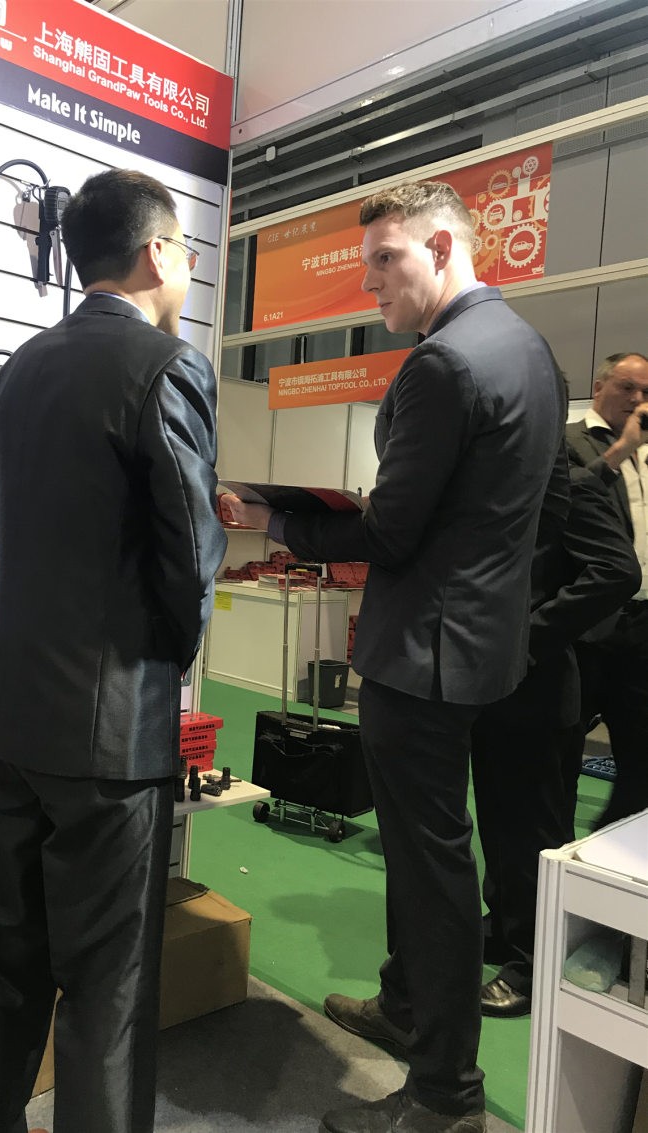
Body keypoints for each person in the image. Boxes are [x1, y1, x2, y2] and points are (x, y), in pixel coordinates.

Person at [222, 179, 564, 1133]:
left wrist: (275, 518)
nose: (370, 282)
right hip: (485, 646)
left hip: (423, 654)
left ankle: (446, 1093)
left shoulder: (443, 363)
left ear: (444, 248)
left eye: (387, 259)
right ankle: (406, 1004)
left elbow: (391, 532)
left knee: (430, 870)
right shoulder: (529, 349)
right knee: (438, 855)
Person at [0, 169, 227, 1133]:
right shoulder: (165, 366)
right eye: (187, 248)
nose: (188, 265)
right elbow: (189, 556)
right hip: (110, 733)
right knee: (108, 988)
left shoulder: (19, 369)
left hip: (11, 714)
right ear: (158, 252)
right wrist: (170, 659)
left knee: (3, 964)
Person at [470, 460, 641, 1019]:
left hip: (539, 685)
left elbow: (617, 571)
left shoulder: (570, 478)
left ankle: (533, 961)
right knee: (500, 819)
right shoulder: (507, 470)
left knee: (534, 831)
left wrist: (530, 637)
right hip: (496, 682)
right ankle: (508, 926)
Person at [564, 352, 648, 829]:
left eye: (646, 392)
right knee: (561, 747)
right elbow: (564, 497)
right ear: (598, 388)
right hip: (586, 624)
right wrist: (622, 449)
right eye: (627, 387)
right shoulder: (570, 440)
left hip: (643, 627)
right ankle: (550, 851)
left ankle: (614, 846)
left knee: (641, 753)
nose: (637, 399)